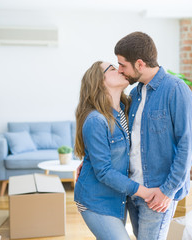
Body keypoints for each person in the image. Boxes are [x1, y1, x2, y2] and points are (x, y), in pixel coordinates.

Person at [114, 31, 192, 240]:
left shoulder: (176, 90)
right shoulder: (135, 93)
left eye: (123, 64)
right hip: (135, 190)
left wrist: (167, 191)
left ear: (140, 64)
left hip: (157, 194)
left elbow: (188, 145)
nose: (119, 70)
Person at [73, 61, 154, 240]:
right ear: (99, 81)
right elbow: (103, 171)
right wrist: (142, 191)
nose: (120, 70)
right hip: (95, 200)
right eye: (113, 69)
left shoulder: (126, 110)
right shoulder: (96, 120)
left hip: (116, 199)